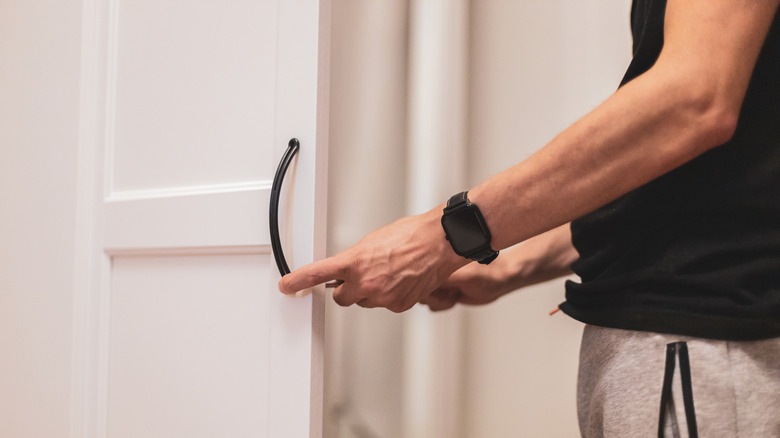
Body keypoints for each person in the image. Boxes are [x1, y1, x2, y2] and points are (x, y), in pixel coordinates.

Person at [280, 0, 780, 436]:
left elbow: (692, 101)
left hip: (702, 341)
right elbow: (716, 177)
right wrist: (506, 266)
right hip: (679, 346)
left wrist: (441, 238)